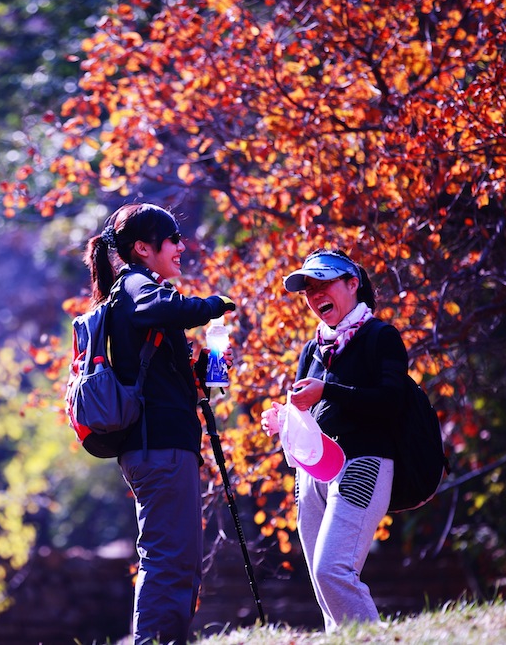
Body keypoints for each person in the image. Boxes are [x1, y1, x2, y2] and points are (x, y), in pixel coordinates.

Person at [84, 202, 235, 644]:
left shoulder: (149, 297)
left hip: (168, 445)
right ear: (143, 249)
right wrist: (209, 306)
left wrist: (217, 353)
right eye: (173, 239)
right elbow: (161, 307)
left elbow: (208, 389)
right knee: (169, 559)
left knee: (181, 560)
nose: (182, 246)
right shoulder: (136, 286)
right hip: (158, 446)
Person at [260, 248, 409, 633]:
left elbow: (392, 402)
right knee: (323, 586)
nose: (314, 294)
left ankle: (374, 642)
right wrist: (283, 420)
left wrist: (328, 390)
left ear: (352, 283)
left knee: (332, 571)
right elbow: (309, 411)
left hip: (364, 463)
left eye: (323, 283)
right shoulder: (311, 349)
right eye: (308, 289)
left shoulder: (381, 336)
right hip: (312, 475)